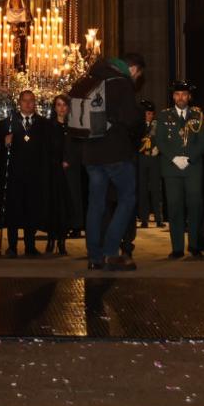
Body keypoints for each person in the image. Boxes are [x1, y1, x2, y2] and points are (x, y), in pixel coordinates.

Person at [75, 51, 145, 272]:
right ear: (132, 69)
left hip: (90, 153)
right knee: (127, 197)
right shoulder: (121, 83)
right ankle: (111, 251)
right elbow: (132, 119)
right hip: (115, 153)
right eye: (138, 75)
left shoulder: (87, 80)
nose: (136, 78)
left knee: (96, 203)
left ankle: (94, 257)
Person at [152, 81, 204, 259]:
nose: (180, 98)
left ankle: (194, 245)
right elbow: (160, 140)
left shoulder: (197, 115)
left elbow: (203, 141)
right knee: (175, 207)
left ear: (189, 96)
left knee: (195, 206)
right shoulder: (164, 115)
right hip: (171, 167)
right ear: (173, 96)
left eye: (184, 94)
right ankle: (177, 247)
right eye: (177, 94)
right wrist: (175, 158)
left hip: (193, 168)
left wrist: (189, 158)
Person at [0, 92, 52, 257]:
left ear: (35, 103)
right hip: (15, 175)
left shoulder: (43, 124)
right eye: (25, 101)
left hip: (35, 175)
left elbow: (46, 149)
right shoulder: (9, 123)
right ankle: (12, 246)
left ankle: (30, 245)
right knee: (13, 210)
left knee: (32, 211)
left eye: (31, 101)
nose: (28, 104)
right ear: (19, 103)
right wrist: (4, 143)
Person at [44, 96, 78, 255]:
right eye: (58, 105)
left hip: (69, 172)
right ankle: (51, 240)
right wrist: (56, 162)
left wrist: (68, 160)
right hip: (52, 171)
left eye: (64, 105)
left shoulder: (73, 126)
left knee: (65, 207)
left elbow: (77, 148)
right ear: (54, 107)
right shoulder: (49, 126)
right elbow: (45, 149)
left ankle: (62, 241)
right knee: (53, 206)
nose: (62, 108)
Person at [134, 105, 165, 229]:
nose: (150, 116)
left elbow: (163, 139)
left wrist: (159, 148)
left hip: (154, 159)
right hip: (142, 159)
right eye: (148, 113)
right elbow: (135, 141)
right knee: (142, 190)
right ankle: (144, 219)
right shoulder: (138, 126)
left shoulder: (157, 126)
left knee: (156, 189)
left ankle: (159, 219)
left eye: (151, 113)